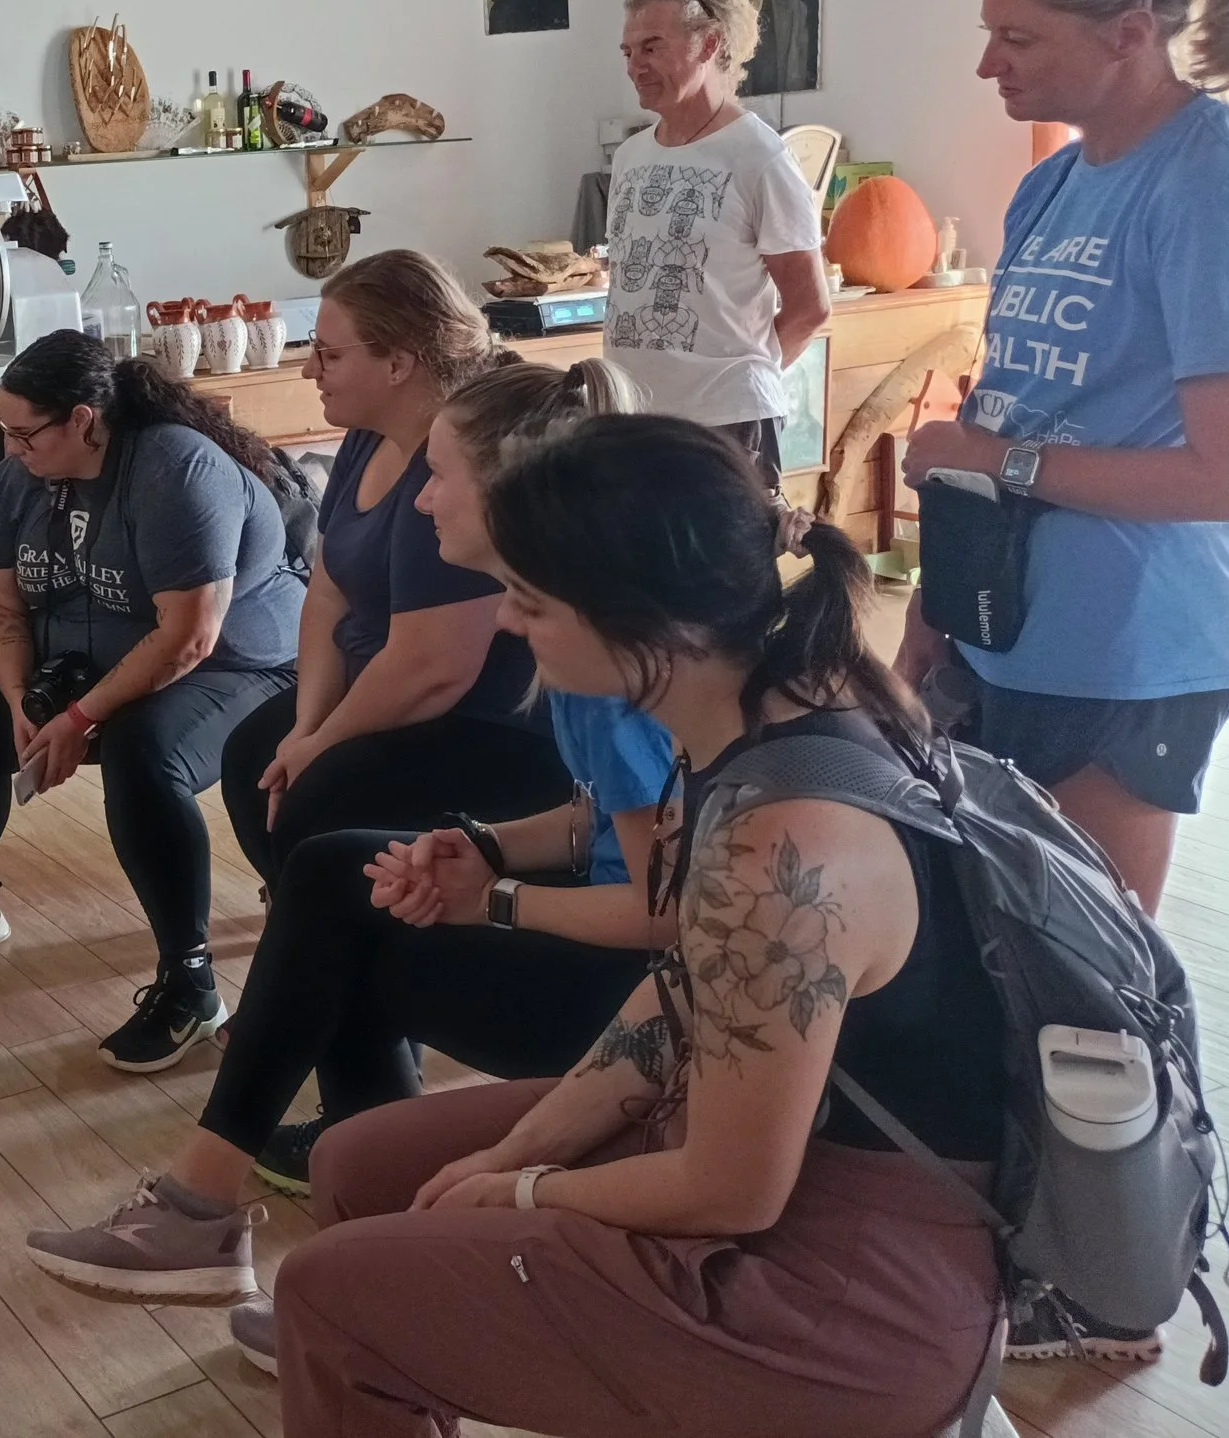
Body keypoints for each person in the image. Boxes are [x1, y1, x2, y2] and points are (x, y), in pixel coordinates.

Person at [261, 416, 1005, 1434]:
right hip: (765, 1152)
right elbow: (687, 981)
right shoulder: (764, 707)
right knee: (357, 1166)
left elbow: (732, 1191)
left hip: (849, 1291)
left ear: (641, 626)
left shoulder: (782, 846)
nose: (509, 621)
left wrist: (524, 1192)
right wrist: (517, 1149)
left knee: (327, 1296)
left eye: (531, 602)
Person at [22, 359, 674, 1295]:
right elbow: (600, 821)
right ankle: (337, 1258)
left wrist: (493, 900)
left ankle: (269, 1240)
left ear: (511, 494)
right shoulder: (573, 622)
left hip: (640, 997)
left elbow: (667, 914)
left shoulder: (597, 659)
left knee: (339, 945)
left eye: (440, 477)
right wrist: (484, 846)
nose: (423, 500)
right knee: (344, 879)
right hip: (609, 940)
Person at [896, 0, 1229, 927]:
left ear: (1127, 32)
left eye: (1017, 36)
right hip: (1001, 622)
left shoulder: (1217, 184)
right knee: (981, 947)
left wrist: (992, 461)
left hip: (1129, 650)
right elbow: (1012, 406)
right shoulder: (1051, 185)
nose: (988, 63)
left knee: (1085, 976)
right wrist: (936, 604)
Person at [0, 329, 306, 1073]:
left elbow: (188, 638)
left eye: (26, 434)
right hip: (111, 649)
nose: (11, 449)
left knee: (145, 752)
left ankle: (190, 981)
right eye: (7, 430)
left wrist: (81, 717)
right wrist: (21, 699)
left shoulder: (176, 469)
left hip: (241, 663)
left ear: (83, 420)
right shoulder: (23, 474)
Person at [217, 250, 565, 886]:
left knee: (318, 796)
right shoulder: (368, 434)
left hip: (479, 721)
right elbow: (326, 594)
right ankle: (307, 910)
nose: (309, 369)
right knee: (251, 756)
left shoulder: (461, 470)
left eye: (329, 354)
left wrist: (320, 745)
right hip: (376, 687)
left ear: (399, 363)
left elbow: (431, 670)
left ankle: (333, 917)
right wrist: (306, 727)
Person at [605, 0, 831, 484]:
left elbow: (809, 308)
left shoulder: (759, 157)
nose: (636, 66)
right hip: (632, 421)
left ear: (708, 44)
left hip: (726, 426)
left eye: (652, 47)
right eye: (628, 52)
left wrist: (739, 382)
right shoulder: (630, 157)